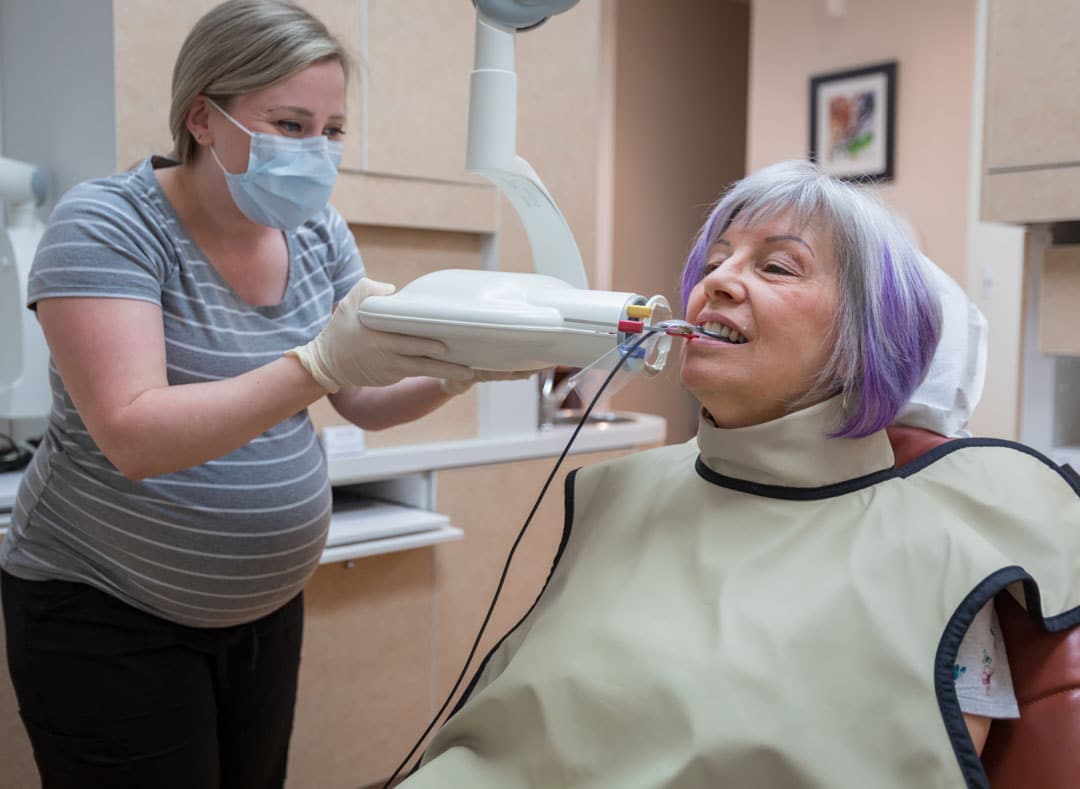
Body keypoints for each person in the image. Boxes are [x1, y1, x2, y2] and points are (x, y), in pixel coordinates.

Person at [397, 160, 1080, 788]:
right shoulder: (624, 492)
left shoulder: (945, 547)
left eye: (778, 267)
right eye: (716, 260)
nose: (715, 281)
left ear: (863, 342)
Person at [0, 2, 520, 787]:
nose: (318, 152)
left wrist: (463, 367)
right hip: (107, 610)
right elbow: (136, 434)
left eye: (332, 129)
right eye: (289, 123)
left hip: (260, 609)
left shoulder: (317, 231)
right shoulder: (108, 225)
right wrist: (317, 363)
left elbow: (364, 397)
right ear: (203, 119)